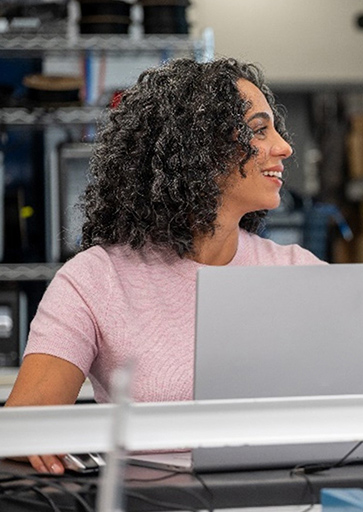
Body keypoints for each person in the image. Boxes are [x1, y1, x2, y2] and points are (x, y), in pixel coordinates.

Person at [4, 57, 322, 472]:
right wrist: (33, 437)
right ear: (199, 148)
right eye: (260, 130)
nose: (284, 147)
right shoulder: (95, 279)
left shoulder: (299, 273)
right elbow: (23, 426)